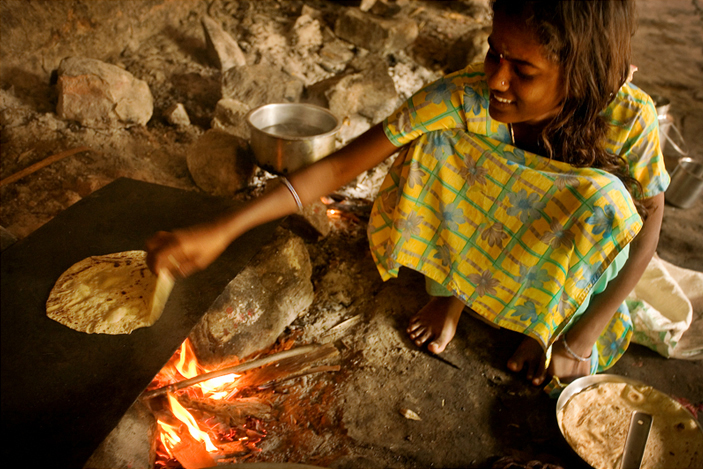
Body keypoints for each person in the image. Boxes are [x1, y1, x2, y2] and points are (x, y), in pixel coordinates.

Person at [147, 0, 669, 393]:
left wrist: (582, 337)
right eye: (493, 52)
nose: (496, 77)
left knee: (608, 201)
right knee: (436, 145)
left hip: (563, 268)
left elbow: (649, 225)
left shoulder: (628, 119)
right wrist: (224, 229)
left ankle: (549, 325)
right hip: (489, 245)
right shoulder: (466, 98)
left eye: (523, 70)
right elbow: (338, 167)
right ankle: (452, 295)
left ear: (582, 74)